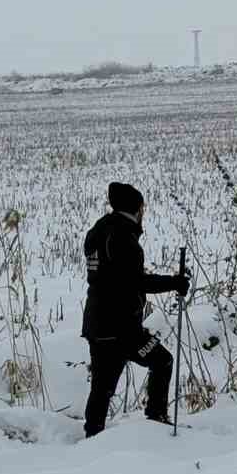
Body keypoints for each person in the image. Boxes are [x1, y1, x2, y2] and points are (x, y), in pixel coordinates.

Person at [81, 181, 189, 437]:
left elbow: (112, 277)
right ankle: (156, 422)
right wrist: (174, 282)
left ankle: (92, 436)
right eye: (143, 207)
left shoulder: (97, 231)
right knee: (163, 361)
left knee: (102, 388)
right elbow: (134, 282)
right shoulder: (123, 237)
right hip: (122, 329)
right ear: (138, 208)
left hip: (97, 325)